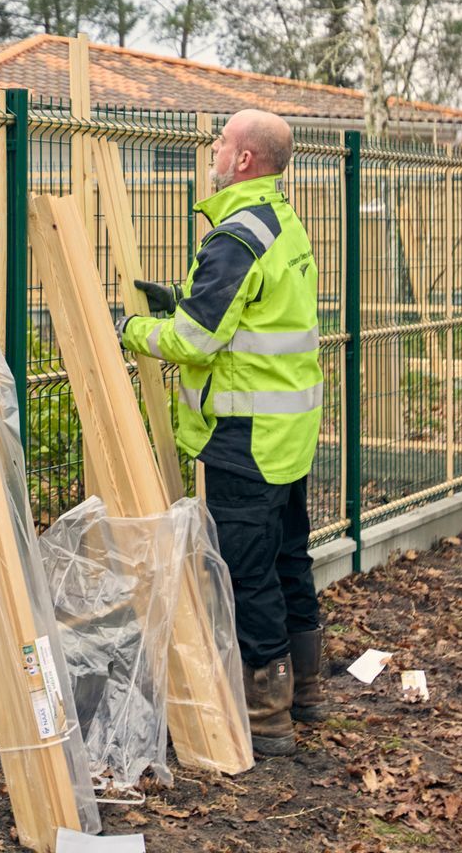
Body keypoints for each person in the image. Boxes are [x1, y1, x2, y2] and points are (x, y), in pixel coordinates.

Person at [115, 108, 326, 757]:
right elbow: (249, 316)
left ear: (243, 161)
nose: (212, 146)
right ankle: (307, 690)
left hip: (246, 436)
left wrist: (130, 330)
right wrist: (184, 298)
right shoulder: (279, 222)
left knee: (247, 571)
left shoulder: (235, 237)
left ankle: (267, 717)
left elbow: (195, 341)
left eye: (222, 140)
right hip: (288, 430)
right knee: (289, 558)